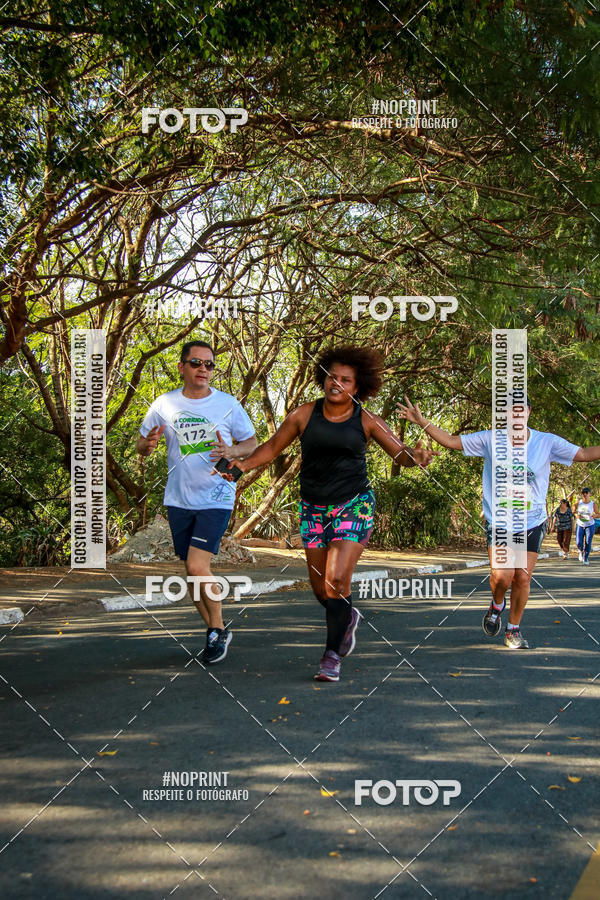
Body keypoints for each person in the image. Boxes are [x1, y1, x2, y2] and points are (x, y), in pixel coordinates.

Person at [223, 345, 436, 682]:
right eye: (332, 377)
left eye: (345, 380)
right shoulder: (304, 414)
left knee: (337, 581)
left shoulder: (367, 420)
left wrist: (417, 458)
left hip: (354, 504)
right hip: (313, 507)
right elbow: (270, 447)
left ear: (357, 386)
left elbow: (400, 455)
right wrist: (241, 466)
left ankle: (331, 656)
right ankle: (347, 617)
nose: (336, 383)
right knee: (322, 590)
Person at [398, 396, 600, 649]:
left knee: (523, 578)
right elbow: (451, 441)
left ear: (528, 412)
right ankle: (496, 603)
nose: (516, 415)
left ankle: (513, 630)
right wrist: (421, 421)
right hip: (501, 521)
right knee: (503, 576)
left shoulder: (545, 442)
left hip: (532, 521)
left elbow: (582, 453)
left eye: (521, 410)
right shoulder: (491, 439)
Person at [136, 340, 257, 663]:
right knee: (191, 573)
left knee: (196, 565)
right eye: (196, 363)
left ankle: (217, 629)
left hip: (216, 495)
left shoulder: (227, 404)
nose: (203, 369)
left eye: (209, 364)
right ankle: (216, 631)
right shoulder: (164, 403)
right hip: (178, 498)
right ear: (181, 367)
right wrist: (147, 445)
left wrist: (231, 451)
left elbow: (252, 442)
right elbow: (142, 444)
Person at [574, 487, 598, 565]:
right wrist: (577, 515)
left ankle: (586, 558)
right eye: (583, 493)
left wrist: (593, 515)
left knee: (588, 542)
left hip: (590, 525)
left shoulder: (593, 504)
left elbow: (598, 514)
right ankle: (581, 551)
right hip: (580, 524)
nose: (585, 494)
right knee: (578, 542)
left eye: (586, 493)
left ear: (590, 494)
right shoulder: (578, 502)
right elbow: (573, 511)